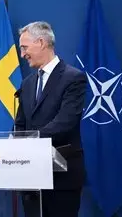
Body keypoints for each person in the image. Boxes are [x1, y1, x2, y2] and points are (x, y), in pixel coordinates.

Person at [15, 21, 87, 217]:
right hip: (31, 176)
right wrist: (14, 144)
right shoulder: (27, 83)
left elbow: (66, 121)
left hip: (62, 177)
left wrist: (31, 140)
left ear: (41, 42)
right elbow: (20, 123)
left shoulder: (73, 78)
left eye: (24, 47)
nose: (22, 54)